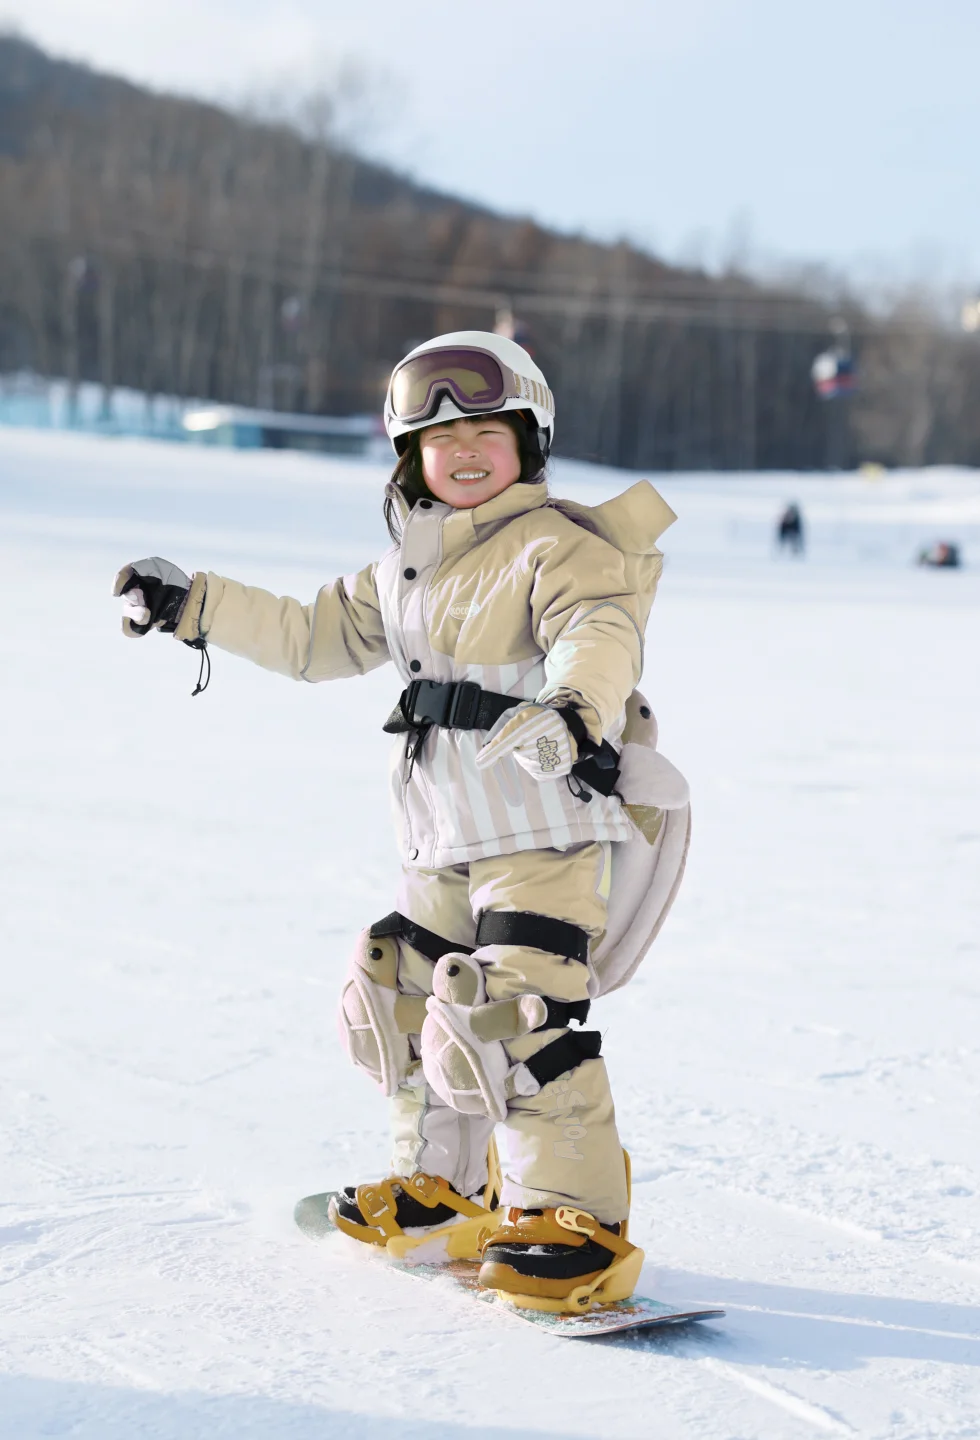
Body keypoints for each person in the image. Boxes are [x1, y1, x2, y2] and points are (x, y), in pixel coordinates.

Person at [112, 331, 686, 1314]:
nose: (462, 453)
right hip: (443, 844)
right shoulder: (401, 571)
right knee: (399, 994)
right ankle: (442, 1192)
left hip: (542, 836)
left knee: (511, 1019)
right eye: (438, 437)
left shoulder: (559, 546)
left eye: (487, 434)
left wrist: (574, 712)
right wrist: (192, 605)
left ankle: (572, 1216)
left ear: (529, 442)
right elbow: (309, 636)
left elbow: (600, 633)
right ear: (407, 458)